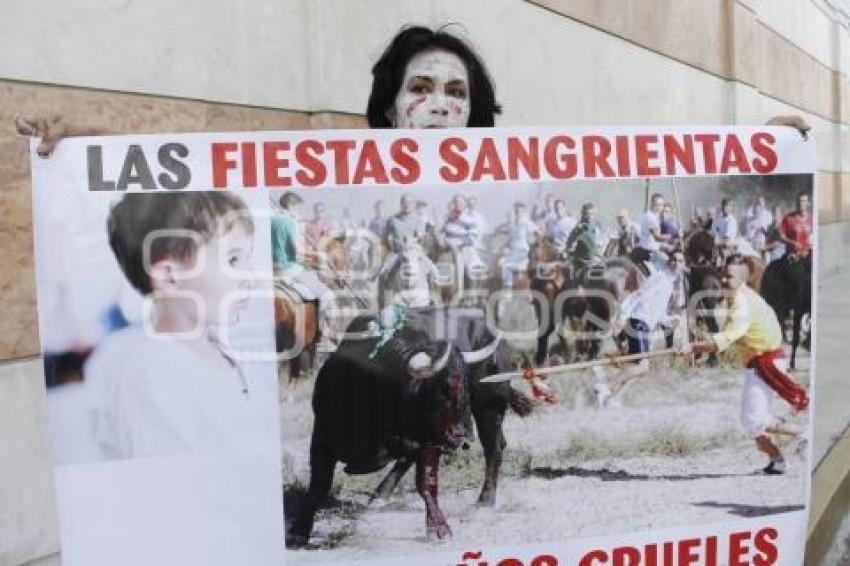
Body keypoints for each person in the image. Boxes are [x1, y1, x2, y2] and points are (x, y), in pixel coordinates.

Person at [84, 192, 272, 459]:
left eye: (246, 259)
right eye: (233, 260)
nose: (249, 278)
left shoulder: (221, 352)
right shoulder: (150, 379)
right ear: (169, 277)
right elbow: (172, 487)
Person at [680, 255, 809, 474]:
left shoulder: (741, 301)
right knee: (752, 420)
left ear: (741, 278)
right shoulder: (740, 296)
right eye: (722, 274)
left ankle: (805, 434)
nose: (722, 279)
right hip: (761, 361)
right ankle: (777, 460)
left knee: (753, 421)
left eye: (728, 276)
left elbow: (727, 338)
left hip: (766, 361)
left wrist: (693, 348)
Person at [594, 251, 686, 406]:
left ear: (684, 265)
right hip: (638, 322)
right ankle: (606, 386)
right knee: (642, 367)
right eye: (673, 260)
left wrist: (670, 320)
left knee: (639, 367)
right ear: (669, 262)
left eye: (680, 261)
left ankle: (613, 398)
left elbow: (658, 312)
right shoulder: (660, 278)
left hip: (644, 324)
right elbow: (638, 296)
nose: (676, 263)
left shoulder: (669, 284)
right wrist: (622, 318)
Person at [270, 192, 335, 341]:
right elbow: (298, 252)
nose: (300, 213)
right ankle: (326, 335)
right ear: (291, 206)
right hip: (290, 270)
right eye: (299, 209)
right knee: (328, 296)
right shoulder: (290, 223)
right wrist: (319, 256)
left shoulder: (270, 221)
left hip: (272, 271)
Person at [498, 202, 539, 288]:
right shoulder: (512, 224)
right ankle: (505, 286)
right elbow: (502, 230)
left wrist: (536, 245)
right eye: (517, 211)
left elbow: (537, 233)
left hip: (522, 251)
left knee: (506, 266)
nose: (518, 213)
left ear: (523, 212)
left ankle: (508, 290)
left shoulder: (526, 222)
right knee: (500, 262)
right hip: (512, 251)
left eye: (520, 211)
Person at [566, 202, 604, 275]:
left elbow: (600, 242)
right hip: (582, 260)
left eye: (592, 214)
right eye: (587, 214)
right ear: (582, 214)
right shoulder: (579, 227)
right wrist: (570, 249)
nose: (589, 216)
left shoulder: (596, 226)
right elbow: (570, 243)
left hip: (595, 259)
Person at [635, 193, 671, 269]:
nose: (659, 207)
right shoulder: (650, 217)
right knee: (669, 266)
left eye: (661, 205)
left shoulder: (652, 216)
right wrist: (673, 235)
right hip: (649, 252)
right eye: (657, 204)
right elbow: (657, 238)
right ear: (651, 203)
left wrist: (664, 245)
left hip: (649, 248)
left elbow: (653, 240)